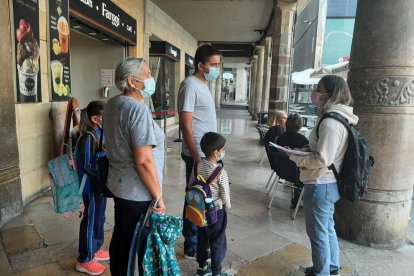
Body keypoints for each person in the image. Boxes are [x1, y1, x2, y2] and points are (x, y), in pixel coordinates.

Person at [287, 75, 356, 276]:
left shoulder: (330, 122)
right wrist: (309, 147)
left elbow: (322, 159)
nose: (315, 92)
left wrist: (294, 157)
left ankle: (321, 272)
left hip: (320, 183)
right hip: (328, 183)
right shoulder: (339, 117)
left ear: (330, 95)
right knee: (327, 229)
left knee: (318, 234)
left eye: (319, 89)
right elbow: (328, 151)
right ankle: (331, 267)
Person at [104, 57, 166, 276]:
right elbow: (143, 160)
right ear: (132, 81)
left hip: (119, 185)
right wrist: (158, 195)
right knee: (131, 245)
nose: (151, 79)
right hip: (137, 191)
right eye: (147, 75)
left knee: (122, 236)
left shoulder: (112, 104)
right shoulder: (137, 110)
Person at [178, 44, 221, 259]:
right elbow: (186, 124)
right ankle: (191, 246)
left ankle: (200, 241)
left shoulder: (203, 85)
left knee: (205, 197)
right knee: (195, 197)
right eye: (213, 65)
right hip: (198, 155)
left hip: (207, 154)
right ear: (201, 65)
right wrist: (196, 156)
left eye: (217, 65)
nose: (216, 69)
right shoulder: (190, 85)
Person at [188, 132, 231, 276]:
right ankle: (216, 271)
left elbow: (190, 185)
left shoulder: (197, 166)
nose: (224, 152)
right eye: (223, 149)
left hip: (200, 212)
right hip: (216, 212)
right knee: (218, 241)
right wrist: (227, 205)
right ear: (216, 152)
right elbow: (224, 193)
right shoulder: (220, 172)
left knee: (202, 239)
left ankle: (202, 267)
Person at [75, 101, 108, 276]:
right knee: (90, 221)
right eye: (106, 117)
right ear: (96, 119)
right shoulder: (87, 137)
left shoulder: (100, 132)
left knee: (100, 218)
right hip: (91, 186)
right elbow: (87, 165)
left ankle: (95, 248)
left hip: (100, 184)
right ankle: (85, 258)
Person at [276, 113, 309, 208]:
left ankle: (298, 193)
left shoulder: (280, 139)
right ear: (300, 126)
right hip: (297, 174)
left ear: (286, 124)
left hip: (282, 170)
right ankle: (301, 193)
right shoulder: (303, 140)